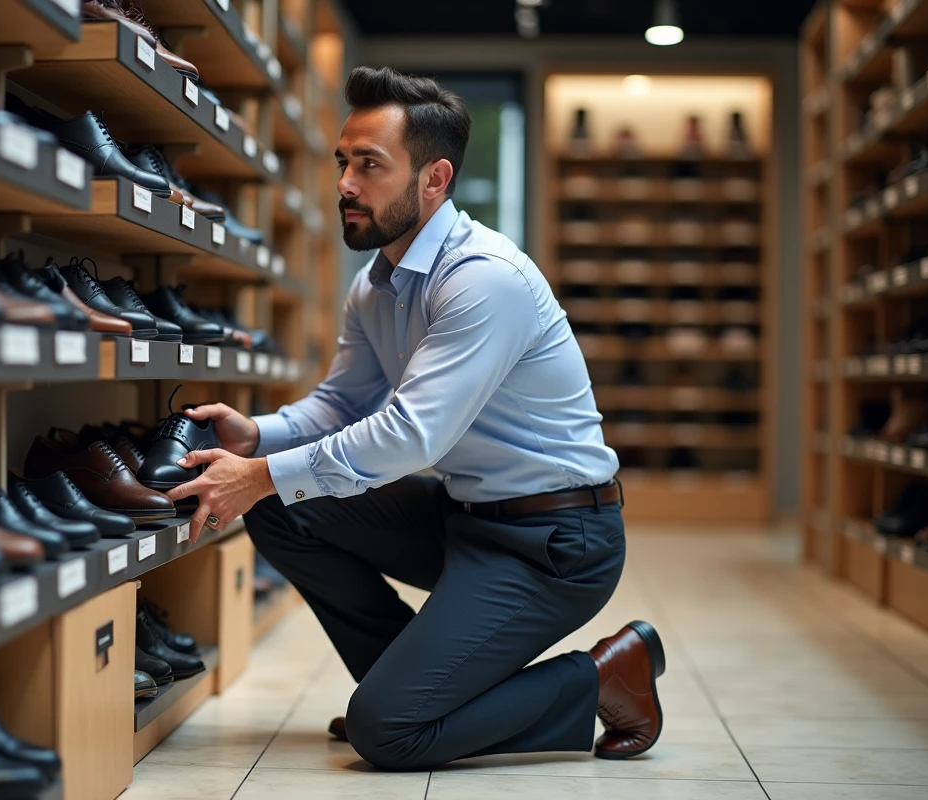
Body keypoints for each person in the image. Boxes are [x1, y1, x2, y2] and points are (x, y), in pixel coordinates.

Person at [164, 66, 665, 771]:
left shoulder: (483, 279)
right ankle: (411, 693)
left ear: (434, 179)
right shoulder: (374, 285)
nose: (345, 184)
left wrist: (261, 474)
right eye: (343, 162)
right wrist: (258, 437)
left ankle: (604, 677)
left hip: (554, 543)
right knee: (281, 507)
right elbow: (340, 404)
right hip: (465, 519)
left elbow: (410, 436)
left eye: (369, 165)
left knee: (386, 734)